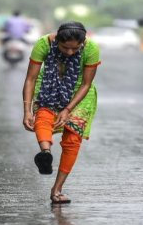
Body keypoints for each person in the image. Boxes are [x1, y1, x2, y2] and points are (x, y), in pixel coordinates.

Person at [21, 21, 100, 205]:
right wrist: (26, 110)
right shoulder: (43, 44)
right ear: (57, 40)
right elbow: (31, 78)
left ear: (83, 42)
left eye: (75, 49)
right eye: (65, 48)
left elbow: (86, 84)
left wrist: (67, 109)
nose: (70, 52)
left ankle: (57, 189)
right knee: (43, 116)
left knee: (72, 139)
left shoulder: (91, 49)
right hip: (48, 86)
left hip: (79, 93)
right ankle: (45, 154)